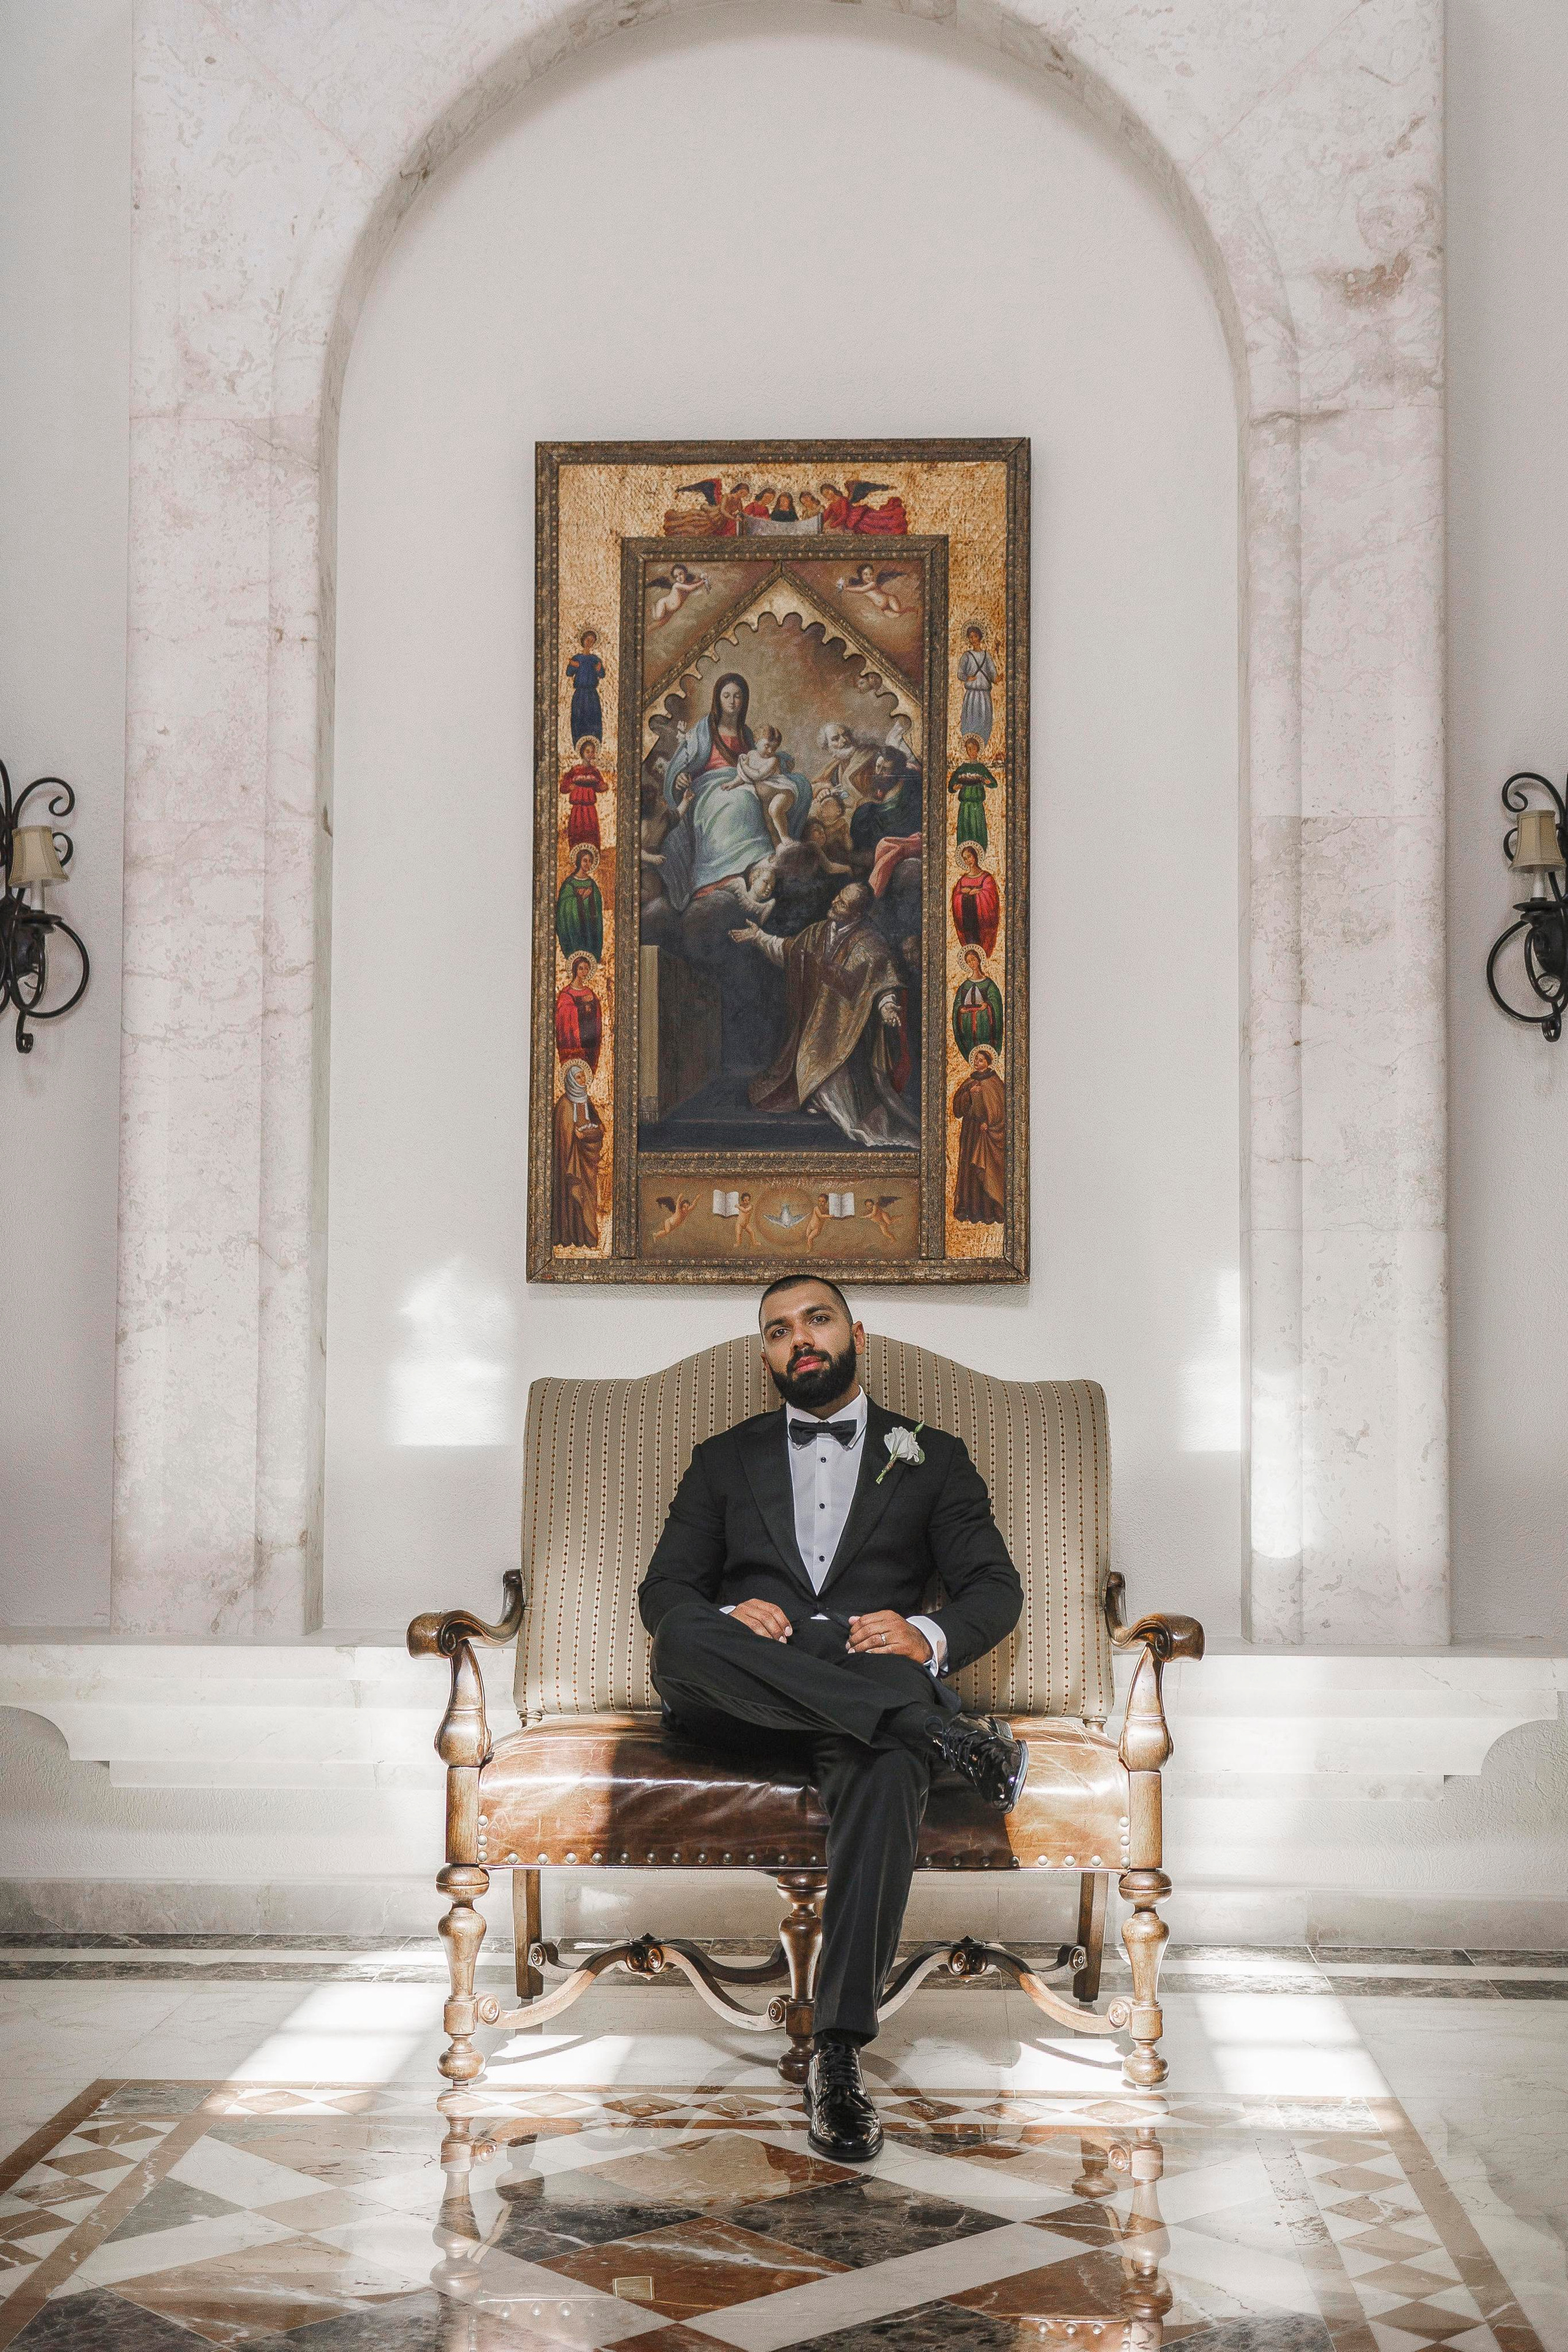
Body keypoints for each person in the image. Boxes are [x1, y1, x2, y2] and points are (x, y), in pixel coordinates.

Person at [641, 1275, 1027, 2162]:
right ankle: (936, 1731)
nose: (798, 1339)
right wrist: (735, 1621)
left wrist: (923, 1633)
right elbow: (665, 1590)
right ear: (766, 1354)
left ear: (857, 1333)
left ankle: (838, 2054)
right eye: (777, 1330)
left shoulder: (933, 1455)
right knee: (683, 1642)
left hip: (865, 1700)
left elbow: (993, 1592)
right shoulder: (720, 1459)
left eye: (816, 1320)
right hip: (742, 1700)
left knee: (889, 1764)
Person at [731, 882, 918, 1148]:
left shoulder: (871, 944)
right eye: (837, 897)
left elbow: (882, 982)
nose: (833, 903)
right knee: (797, 1071)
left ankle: (827, 1102)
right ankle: (816, 1098)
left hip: (845, 1031)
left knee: (841, 1087)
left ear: (856, 915)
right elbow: (789, 951)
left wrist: (887, 1006)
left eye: (841, 904)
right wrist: (759, 936)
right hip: (814, 1022)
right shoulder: (819, 931)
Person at [661, 674, 810, 912]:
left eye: (738, 696)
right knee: (738, 801)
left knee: (748, 799)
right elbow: (682, 765)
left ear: (745, 700)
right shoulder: (704, 730)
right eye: (727, 695)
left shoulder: (748, 734)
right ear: (718, 699)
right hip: (709, 786)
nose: (732, 701)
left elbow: (761, 760)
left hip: (743, 783)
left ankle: (757, 869)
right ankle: (716, 878)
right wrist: (680, 776)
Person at [551, 1062, 603, 1246]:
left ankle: (586, 1236)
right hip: (570, 1163)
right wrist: (573, 1133)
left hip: (587, 1160)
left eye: (583, 1076)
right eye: (579, 1077)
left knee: (587, 1197)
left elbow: (600, 1125)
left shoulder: (587, 1102)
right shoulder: (564, 1105)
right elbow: (562, 1134)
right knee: (571, 1196)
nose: (583, 1080)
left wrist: (591, 1131)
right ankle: (569, 1234)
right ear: (571, 1080)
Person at [952, 1046, 1006, 1224]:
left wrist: (989, 1123)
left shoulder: (995, 1083)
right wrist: (969, 1094)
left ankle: (990, 1211)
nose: (977, 1062)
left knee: (985, 1170)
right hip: (971, 1132)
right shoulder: (969, 1082)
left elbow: (1001, 1109)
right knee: (970, 1170)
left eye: (981, 1060)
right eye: (975, 1059)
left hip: (986, 1134)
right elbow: (957, 1109)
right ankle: (971, 1210)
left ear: (989, 1063)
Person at [948, 737, 998, 851]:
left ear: (978, 750)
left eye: (974, 749)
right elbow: (951, 786)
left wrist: (988, 782)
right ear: (966, 750)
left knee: (978, 829)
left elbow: (994, 784)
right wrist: (955, 787)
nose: (972, 752)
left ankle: (980, 851)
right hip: (965, 806)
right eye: (969, 749)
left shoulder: (981, 768)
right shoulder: (963, 768)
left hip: (977, 805)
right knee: (966, 829)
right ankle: (965, 852)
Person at [951, 842, 1000, 956]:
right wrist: (966, 895)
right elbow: (956, 900)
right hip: (967, 922)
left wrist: (973, 894)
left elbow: (990, 898)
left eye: (970, 857)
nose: (968, 861)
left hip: (981, 924)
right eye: (965, 859)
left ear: (976, 856)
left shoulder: (987, 878)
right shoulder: (962, 880)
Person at [555, 845, 604, 960]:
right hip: (576, 926)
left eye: (590, 861)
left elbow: (598, 906)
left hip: (590, 926)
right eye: (585, 861)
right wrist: (580, 898)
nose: (588, 864)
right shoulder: (569, 883)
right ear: (578, 861)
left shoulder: (592, 884)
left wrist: (592, 897)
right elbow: (564, 907)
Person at [951, 948, 1003, 1057]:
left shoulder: (989, 983)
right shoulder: (965, 985)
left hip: (984, 1021)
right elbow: (958, 1003)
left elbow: (996, 1000)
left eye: (973, 960)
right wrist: (960, 1009)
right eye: (969, 962)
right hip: (968, 1022)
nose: (972, 963)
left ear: (979, 960)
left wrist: (988, 1004)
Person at [555, 954, 602, 1071]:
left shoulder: (589, 991)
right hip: (575, 1040)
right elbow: (563, 1014)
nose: (584, 971)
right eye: (581, 968)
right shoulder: (566, 993)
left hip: (589, 1039)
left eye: (587, 968)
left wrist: (593, 1004)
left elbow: (597, 1014)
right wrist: (581, 1006)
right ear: (575, 969)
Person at [559, 740, 608, 850]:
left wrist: (603, 787)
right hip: (577, 809)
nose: (590, 754)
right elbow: (563, 787)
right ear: (582, 752)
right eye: (588, 751)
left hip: (590, 808)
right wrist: (569, 787)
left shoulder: (595, 771)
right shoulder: (575, 770)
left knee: (591, 831)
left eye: (592, 752)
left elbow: (600, 786)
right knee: (577, 831)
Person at [957, 624, 997, 746]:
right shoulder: (967, 656)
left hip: (984, 694)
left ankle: (982, 745)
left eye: (975, 636)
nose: (973, 639)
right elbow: (960, 673)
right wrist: (967, 677)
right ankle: (970, 746)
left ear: (980, 637)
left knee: (984, 720)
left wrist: (997, 678)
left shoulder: (987, 655)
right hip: (972, 695)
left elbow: (993, 674)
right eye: (971, 637)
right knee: (971, 719)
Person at [567, 630, 605, 744]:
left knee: (593, 718)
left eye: (592, 641)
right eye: (588, 639)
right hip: (580, 694)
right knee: (579, 718)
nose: (589, 642)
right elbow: (569, 673)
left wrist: (599, 669)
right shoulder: (577, 658)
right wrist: (573, 666)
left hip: (592, 694)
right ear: (583, 640)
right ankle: (579, 744)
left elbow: (602, 675)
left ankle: (594, 744)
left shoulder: (595, 659)